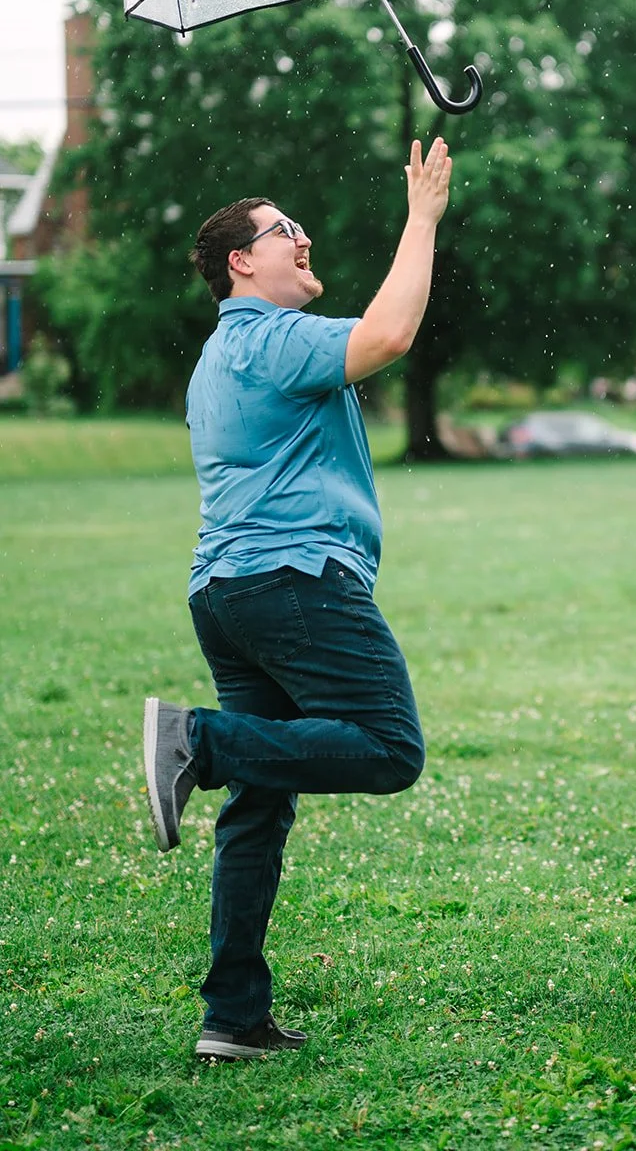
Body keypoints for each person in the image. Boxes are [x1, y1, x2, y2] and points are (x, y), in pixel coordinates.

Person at [143, 136, 452, 1060]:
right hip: (292, 583)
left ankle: (232, 1014)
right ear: (243, 261)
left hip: (228, 593)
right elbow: (390, 336)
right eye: (286, 232)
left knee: (260, 802)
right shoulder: (267, 336)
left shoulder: (219, 355)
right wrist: (423, 218)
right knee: (390, 748)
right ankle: (198, 738)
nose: (304, 237)